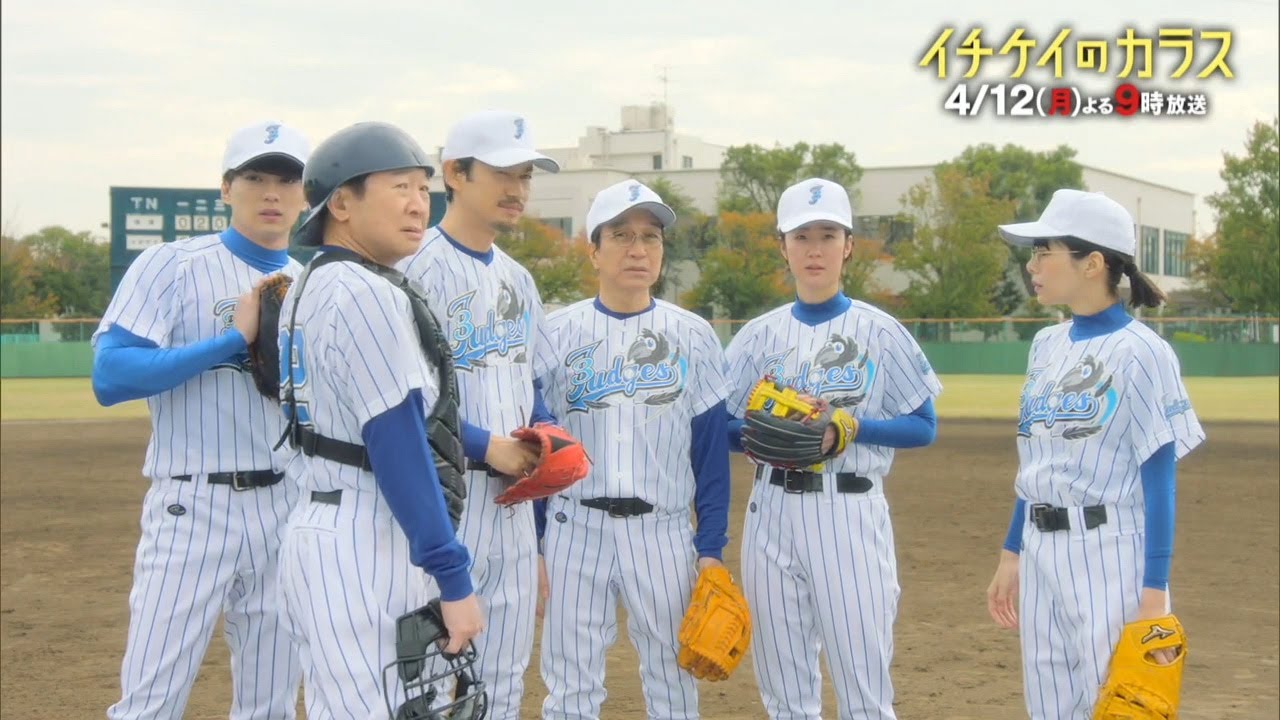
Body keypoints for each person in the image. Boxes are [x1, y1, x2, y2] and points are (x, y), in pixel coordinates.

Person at [92, 120, 310, 720]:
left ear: (306, 196)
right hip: (193, 506)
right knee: (150, 702)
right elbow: (110, 376)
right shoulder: (173, 264)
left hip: (287, 507)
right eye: (255, 177)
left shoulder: (313, 285)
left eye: (287, 180)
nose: (272, 193)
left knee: (270, 706)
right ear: (226, 189)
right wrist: (231, 342)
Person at [272, 121, 486, 718]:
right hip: (365, 536)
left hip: (324, 524)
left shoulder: (309, 285)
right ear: (341, 204)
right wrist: (452, 575)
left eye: (423, 188)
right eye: (400, 187)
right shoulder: (366, 293)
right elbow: (399, 444)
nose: (419, 204)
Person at [724, 178, 942, 720]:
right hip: (770, 510)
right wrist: (763, 433)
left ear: (848, 246)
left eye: (827, 235)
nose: (814, 249)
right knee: (783, 688)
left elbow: (923, 426)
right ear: (783, 247)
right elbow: (721, 429)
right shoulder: (757, 336)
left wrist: (849, 429)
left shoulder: (880, 331)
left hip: (848, 511)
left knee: (863, 686)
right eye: (802, 236)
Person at [985, 189, 1205, 718]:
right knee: (1049, 707)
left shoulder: (1144, 353)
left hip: (1110, 552)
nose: (1032, 265)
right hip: (1039, 549)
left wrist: (1154, 595)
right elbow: (1038, 463)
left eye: (1045, 252)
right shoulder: (1046, 344)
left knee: (1115, 704)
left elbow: (1160, 480)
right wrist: (1012, 552)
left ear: (1093, 264)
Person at [532, 179, 732, 719]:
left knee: (673, 683)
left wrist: (710, 546)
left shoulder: (693, 335)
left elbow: (710, 454)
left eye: (651, 236)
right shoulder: (555, 334)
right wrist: (537, 541)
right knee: (570, 687)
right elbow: (536, 449)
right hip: (574, 528)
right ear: (594, 250)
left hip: (663, 532)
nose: (638, 249)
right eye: (621, 235)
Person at [395, 109, 561, 720]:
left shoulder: (520, 279)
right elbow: (397, 403)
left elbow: (531, 389)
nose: (517, 188)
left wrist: (546, 439)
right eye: (502, 173)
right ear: (454, 174)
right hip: (440, 499)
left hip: (511, 508)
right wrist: (486, 445)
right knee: (426, 685)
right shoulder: (411, 267)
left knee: (503, 681)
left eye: (525, 175)